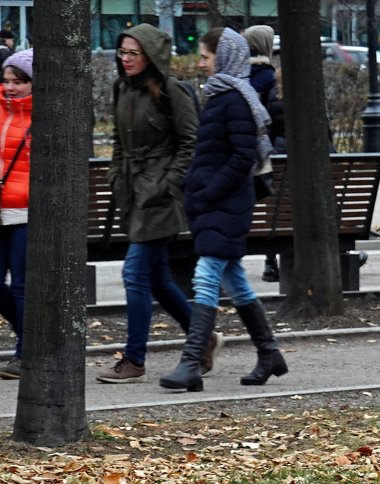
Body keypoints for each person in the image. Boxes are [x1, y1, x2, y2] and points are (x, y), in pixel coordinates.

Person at [160, 27, 287, 393]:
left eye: (205, 56)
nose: (200, 63)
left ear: (225, 57)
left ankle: (190, 362)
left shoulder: (235, 99)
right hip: (216, 205)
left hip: (225, 205)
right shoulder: (222, 95)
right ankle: (269, 353)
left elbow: (241, 157)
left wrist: (208, 193)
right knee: (235, 281)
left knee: (206, 275)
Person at [98, 24, 219, 384]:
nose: (127, 59)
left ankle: (134, 358)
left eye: (134, 53)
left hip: (162, 199)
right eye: (123, 53)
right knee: (159, 280)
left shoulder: (172, 91)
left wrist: (167, 184)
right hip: (134, 195)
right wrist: (118, 179)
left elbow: (191, 144)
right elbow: (120, 142)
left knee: (134, 275)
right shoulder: (122, 88)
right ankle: (204, 338)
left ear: (150, 55)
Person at [242, 24, 285, 282]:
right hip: (273, 159)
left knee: (275, 204)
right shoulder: (271, 79)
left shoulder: (241, 77)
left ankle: (271, 262)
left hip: (254, 163)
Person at [0, 48, 31, 380]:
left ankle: (25, 353)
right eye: (6, 81)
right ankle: (28, 337)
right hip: (0, 208)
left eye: (18, 82)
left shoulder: (43, 116)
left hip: (24, 211)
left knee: (21, 285)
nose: (10, 88)